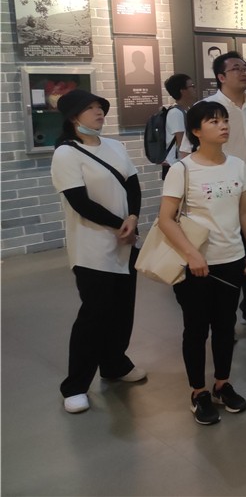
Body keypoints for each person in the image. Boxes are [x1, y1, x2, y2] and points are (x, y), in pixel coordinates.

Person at [159, 101, 246, 425]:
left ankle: (222, 384)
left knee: (225, 326)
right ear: (196, 131)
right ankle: (198, 391)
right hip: (196, 265)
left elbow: (245, 211)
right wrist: (192, 254)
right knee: (196, 328)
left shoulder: (238, 165)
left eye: (224, 120)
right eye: (214, 121)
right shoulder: (183, 169)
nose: (223, 125)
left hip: (232, 259)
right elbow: (165, 219)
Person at [50, 90, 146, 414]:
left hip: (125, 243)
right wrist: (121, 223)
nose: (98, 112)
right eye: (90, 108)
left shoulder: (115, 147)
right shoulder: (66, 154)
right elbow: (80, 202)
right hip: (91, 248)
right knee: (94, 316)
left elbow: (132, 184)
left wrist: (133, 217)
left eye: (99, 107)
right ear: (73, 117)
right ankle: (75, 386)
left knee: (122, 310)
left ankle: (115, 364)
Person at [179, 51, 246, 329]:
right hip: (220, 199)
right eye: (236, 68)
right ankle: (222, 320)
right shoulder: (207, 108)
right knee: (224, 260)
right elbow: (187, 154)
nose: (244, 72)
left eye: (245, 67)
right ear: (221, 77)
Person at [162, 73, 196, 178]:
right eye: (191, 86)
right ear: (182, 90)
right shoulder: (176, 113)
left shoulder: (186, 110)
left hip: (182, 164)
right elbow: (182, 143)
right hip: (176, 165)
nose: (194, 89)